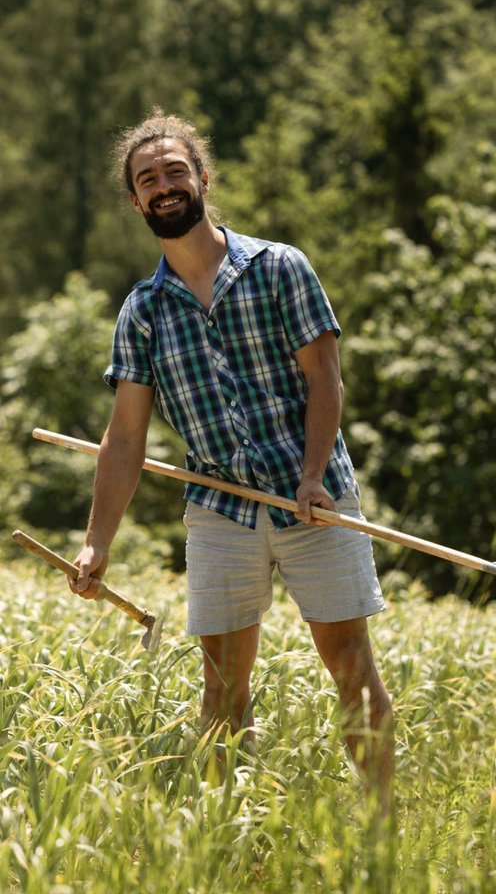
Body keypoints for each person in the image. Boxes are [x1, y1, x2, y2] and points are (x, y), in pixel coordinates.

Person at [70, 109, 394, 808]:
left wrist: (311, 475)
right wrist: (97, 543)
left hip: (315, 500)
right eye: (147, 179)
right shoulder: (143, 311)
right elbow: (125, 438)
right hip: (221, 510)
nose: (163, 187)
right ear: (134, 200)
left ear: (203, 178)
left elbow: (324, 378)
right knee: (221, 684)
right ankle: (228, 839)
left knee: (350, 668)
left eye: (174, 171)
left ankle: (384, 834)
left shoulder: (280, 268)